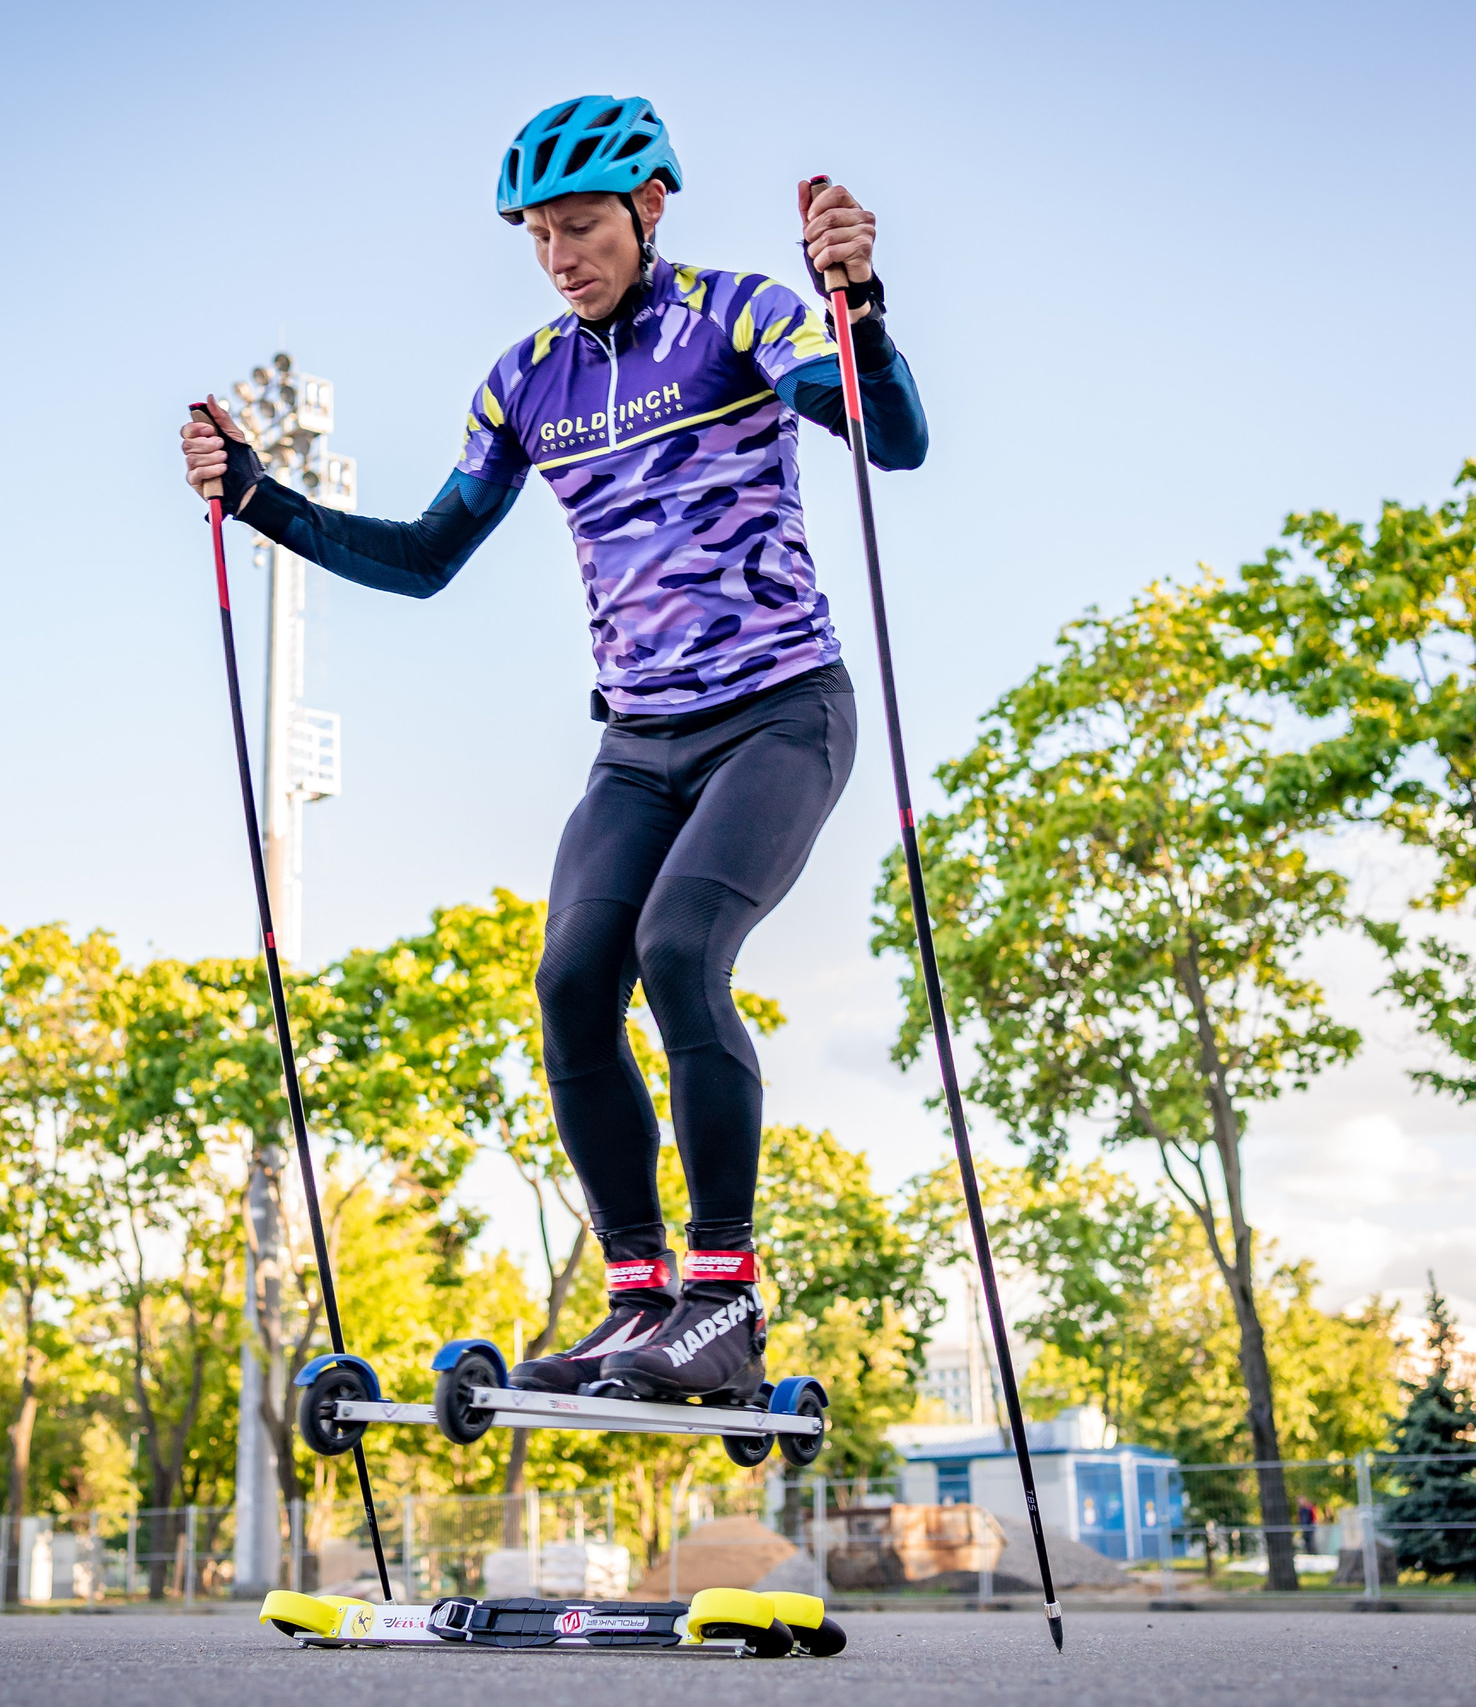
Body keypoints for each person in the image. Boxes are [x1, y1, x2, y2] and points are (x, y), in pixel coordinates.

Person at [185, 96, 926, 1405]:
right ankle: (639, 1294)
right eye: (538, 235)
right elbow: (422, 560)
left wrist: (858, 303)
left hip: (779, 711)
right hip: (639, 740)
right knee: (575, 975)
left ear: (649, 207)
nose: (560, 254)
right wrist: (257, 494)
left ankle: (724, 1297)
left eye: (581, 226)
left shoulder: (743, 313)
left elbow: (894, 441)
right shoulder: (525, 379)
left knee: (680, 948)